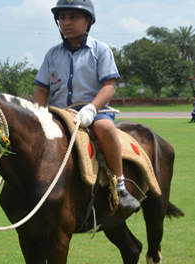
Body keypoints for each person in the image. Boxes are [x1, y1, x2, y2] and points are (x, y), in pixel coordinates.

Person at [32, 0, 140, 214]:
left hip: (95, 112)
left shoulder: (101, 50)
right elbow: (42, 91)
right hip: (59, 113)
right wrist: (35, 115)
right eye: (62, 17)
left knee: (107, 129)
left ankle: (119, 186)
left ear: (89, 20)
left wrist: (91, 108)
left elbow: (109, 86)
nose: (66, 22)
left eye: (74, 17)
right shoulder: (51, 55)